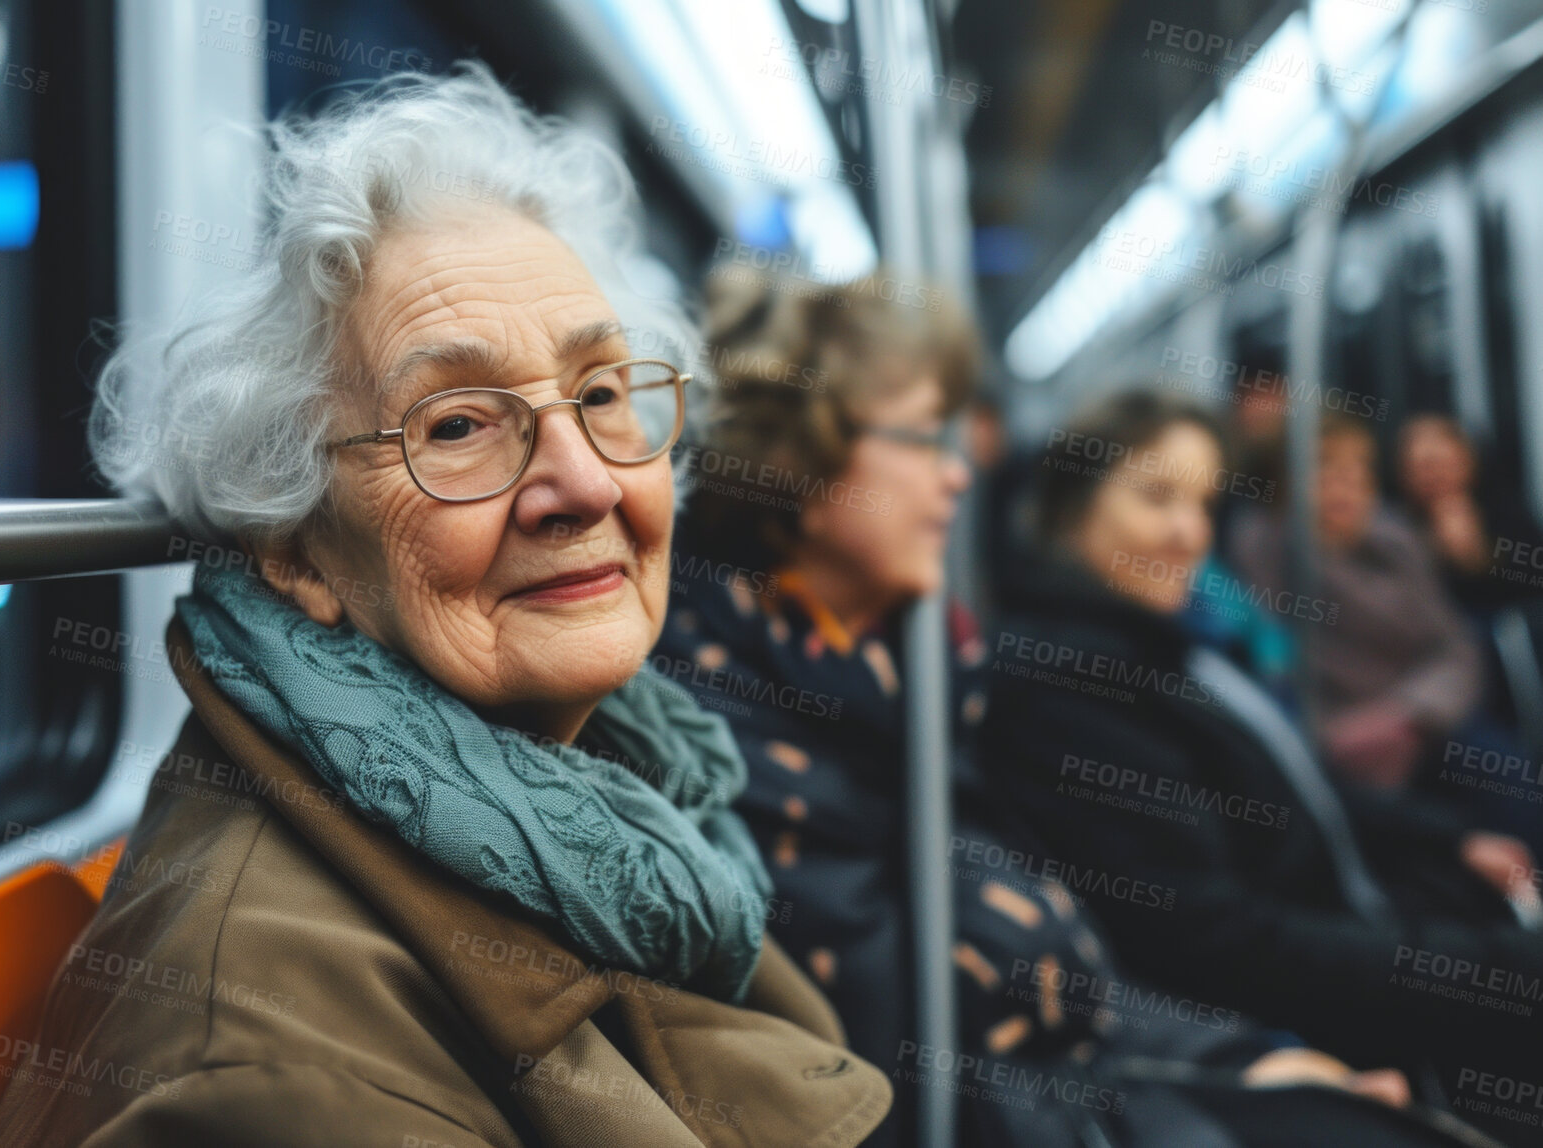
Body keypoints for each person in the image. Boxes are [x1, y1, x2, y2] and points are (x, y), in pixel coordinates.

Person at [0, 66, 892, 1148]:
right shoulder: (265, 1072)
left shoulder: (629, 786)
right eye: (458, 426)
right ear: (295, 550)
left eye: (600, 394)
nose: (586, 483)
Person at [658, 282, 1496, 1147]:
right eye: (920, 437)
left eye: (1202, 503)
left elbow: (1061, 965)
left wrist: (1238, 1059)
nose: (955, 475)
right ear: (800, 455)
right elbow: (922, 1062)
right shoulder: (740, 734)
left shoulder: (905, 678)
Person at [977, 389, 1543, 1146]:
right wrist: (1485, 971)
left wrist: (1449, 839)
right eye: (1156, 497)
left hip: (1339, 931)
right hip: (1283, 1018)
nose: (1189, 534)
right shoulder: (1067, 686)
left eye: (1203, 504)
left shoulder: (1158, 639)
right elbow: (1218, 943)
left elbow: (1295, 789)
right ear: (1068, 509)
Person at [1233, 414, 1484, 790]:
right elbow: (1275, 674)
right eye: (1326, 466)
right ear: (1284, 479)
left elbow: (1456, 646)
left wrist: (1411, 711)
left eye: (1358, 467)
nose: (1347, 483)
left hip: (1430, 721)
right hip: (1340, 747)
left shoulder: (1396, 542)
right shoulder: (1267, 555)